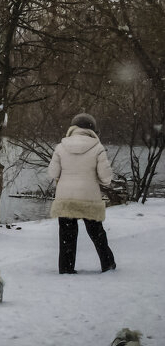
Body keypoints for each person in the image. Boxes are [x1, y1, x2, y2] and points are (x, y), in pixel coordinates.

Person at [48, 113, 116, 274]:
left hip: (65, 199)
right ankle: (108, 264)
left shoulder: (61, 147)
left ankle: (66, 268)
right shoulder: (98, 148)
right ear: (93, 130)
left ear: (73, 128)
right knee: (97, 234)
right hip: (89, 198)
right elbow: (106, 178)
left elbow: (52, 173)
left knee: (67, 236)